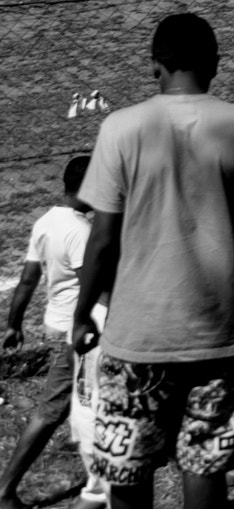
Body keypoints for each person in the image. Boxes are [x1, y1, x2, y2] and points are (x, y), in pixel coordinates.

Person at [72, 13, 234, 509]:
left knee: (129, 467)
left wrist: (82, 312)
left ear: (154, 66)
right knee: (205, 464)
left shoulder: (120, 127)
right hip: (223, 334)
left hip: (137, 336)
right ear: (215, 65)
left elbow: (101, 239)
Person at [0, 156, 103, 509]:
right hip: (76, 331)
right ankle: (5, 491)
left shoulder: (46, 221)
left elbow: (29, 278)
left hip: (53, 325)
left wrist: (14, 323)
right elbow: (96, 286)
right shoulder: (81, 231)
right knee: (52, 411)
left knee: (81, 402)